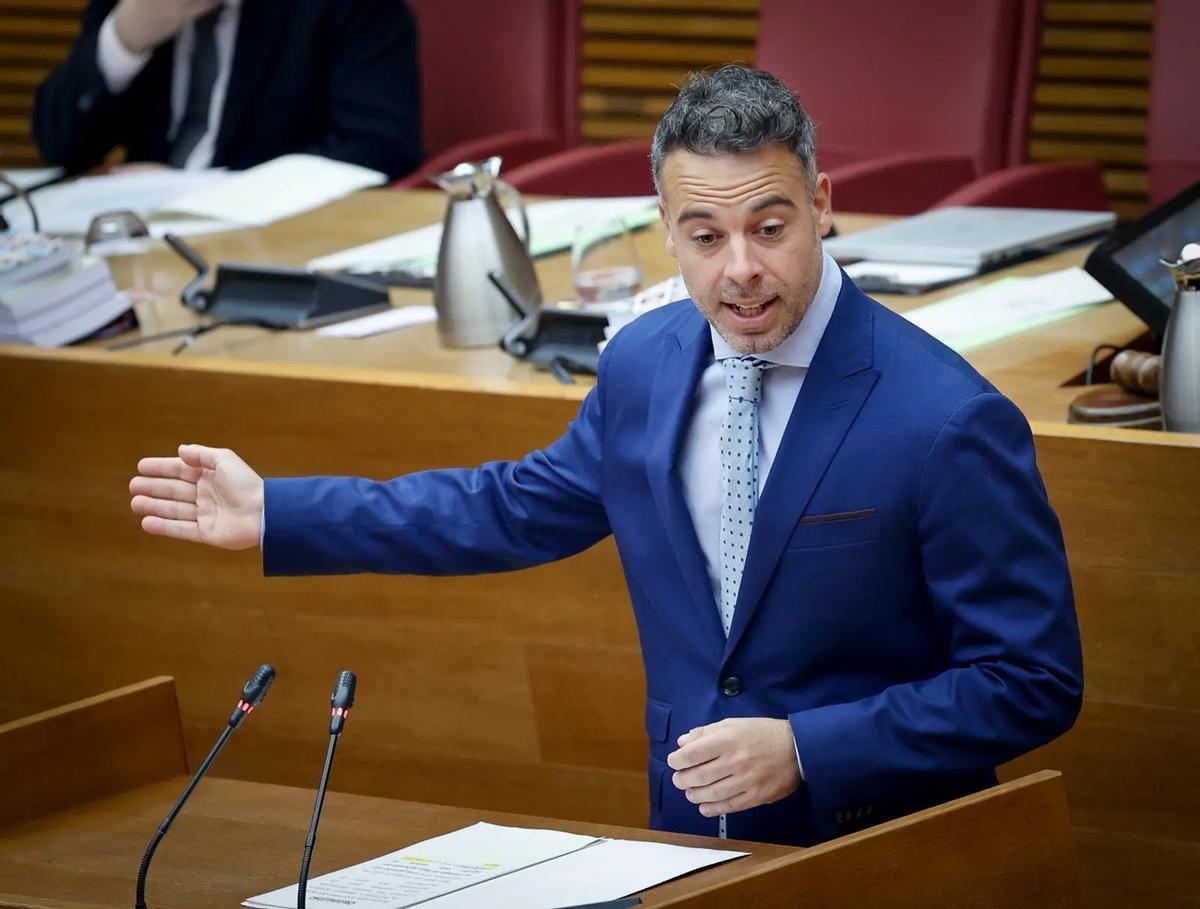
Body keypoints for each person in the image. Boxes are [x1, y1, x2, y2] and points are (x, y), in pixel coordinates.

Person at [129, 65, 1083, 847]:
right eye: (704, 237)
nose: (739, 268)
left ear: (822, 205)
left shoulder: (946, 418)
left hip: (885, 849)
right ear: (664, 229)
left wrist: (809, 746)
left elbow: (1031, 680)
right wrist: (282, 512)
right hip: (685, 835)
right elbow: (508, 507)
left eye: (770, 228)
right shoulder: (644, 363)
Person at [32, 0, 423, 180]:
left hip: (278, 248)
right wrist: (125, 40)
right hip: (142, 252)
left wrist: (198, 187)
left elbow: (377, 152)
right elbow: (59, 144)